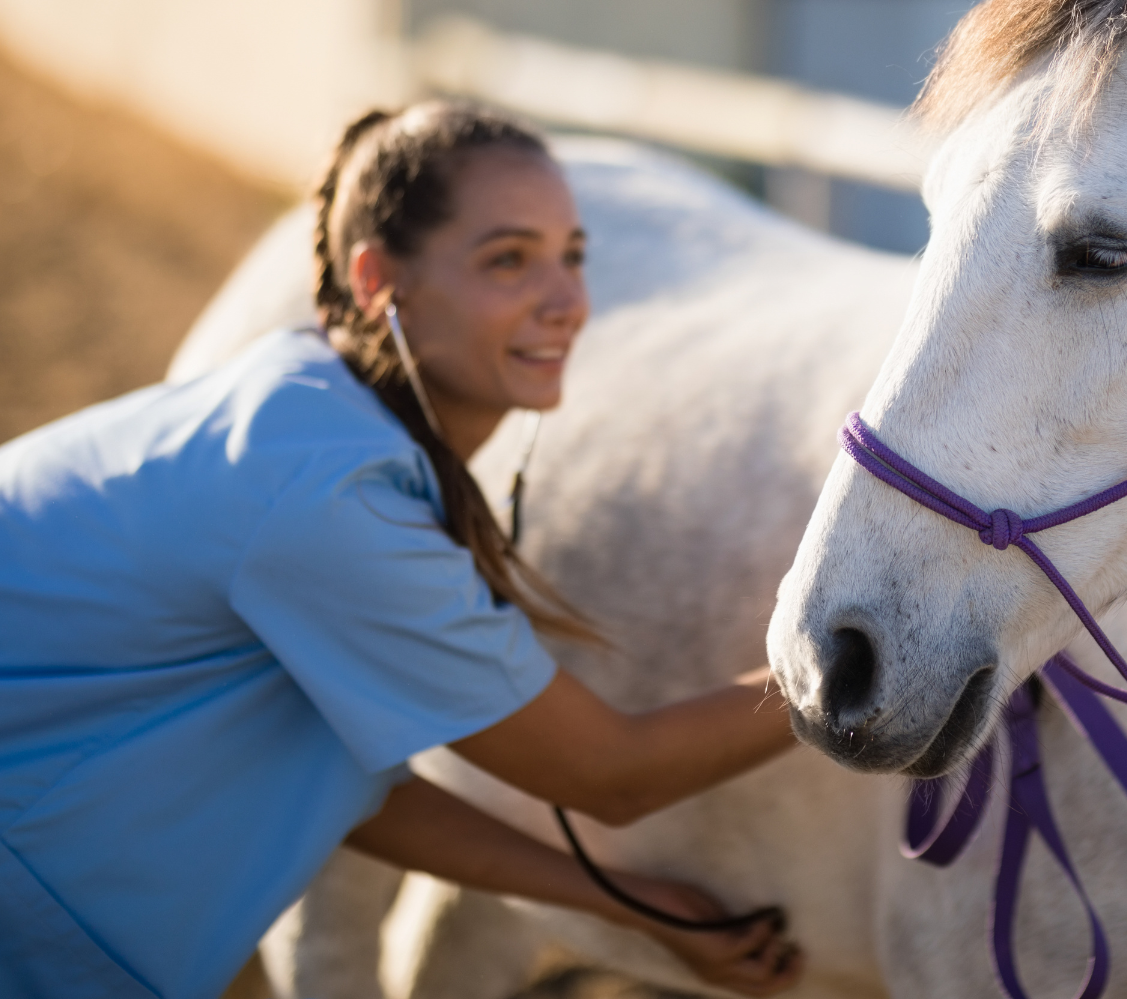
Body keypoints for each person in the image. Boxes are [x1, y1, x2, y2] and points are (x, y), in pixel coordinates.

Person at [0, 102, 804, 999]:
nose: (567, 301)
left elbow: (341, 792)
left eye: (572, 256)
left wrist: (625, 902)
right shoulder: (322, 498)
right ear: (380, 280)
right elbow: (609, 774)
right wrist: (845, 663)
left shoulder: (310, 415)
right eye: (509, 260)